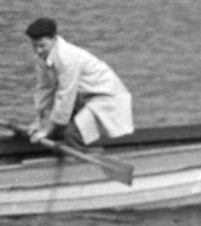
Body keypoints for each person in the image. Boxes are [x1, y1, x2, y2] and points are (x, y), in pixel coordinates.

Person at [24, 18, 132, 146]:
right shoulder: (42, 58)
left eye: (42, 45)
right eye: (34, 46)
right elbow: (44, 89)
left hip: (105, 98)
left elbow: (65, 95)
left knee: (70, 133)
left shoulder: (67, 57)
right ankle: (63, 156)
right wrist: (40, 121)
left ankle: (78, 163)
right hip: (82, 99)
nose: (38, 50)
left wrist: (48, 129)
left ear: (54, 40)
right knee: (55, 129)